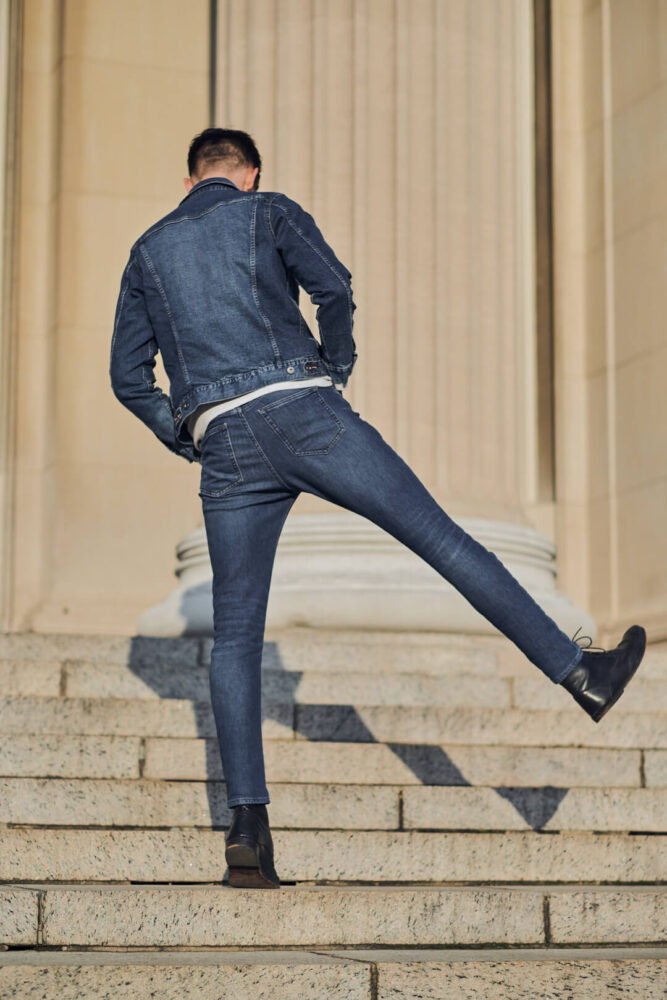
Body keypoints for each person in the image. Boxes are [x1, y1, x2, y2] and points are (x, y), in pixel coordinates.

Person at [110, 127, 647, 890]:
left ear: (191, 178)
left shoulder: (146, 250)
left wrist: (189, 434)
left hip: (224, 443)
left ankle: (247, 833)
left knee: (234, 639)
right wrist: (336, 369)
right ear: (249, 171)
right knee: (442, 541)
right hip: (308, 412)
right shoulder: (268, 210)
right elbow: (333, 286)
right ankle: (577, 673)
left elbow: (127, 377)